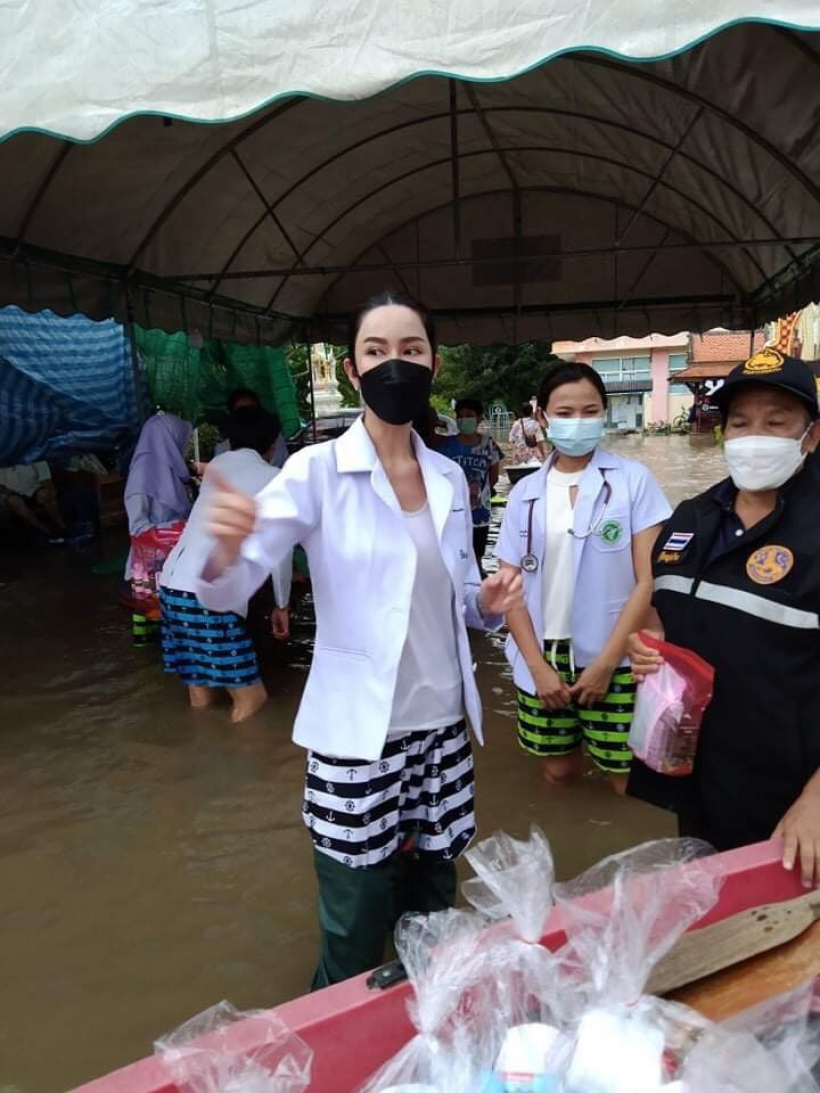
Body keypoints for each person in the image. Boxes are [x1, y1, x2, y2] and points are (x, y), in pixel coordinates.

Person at [196, 290, 522, 988]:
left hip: (442, 726)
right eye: (377, 351)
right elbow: (233, 584)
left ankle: (427, 1033)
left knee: (434, 904)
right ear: (352, 370)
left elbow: (459, 592)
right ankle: (340, 1042)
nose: (394, 363)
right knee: (355, 913)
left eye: (411, 349)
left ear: (433, 362)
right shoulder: (315, 471)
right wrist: (223, 551)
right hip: (356, 736)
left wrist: (488, 602)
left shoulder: (446, 475)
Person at [628, 350, 820, 884]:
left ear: (812, 435)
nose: (754, 434)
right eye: (740, 422)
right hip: (702, 775)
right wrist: (649, 646)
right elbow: (661, 618)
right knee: (716, 916)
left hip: (793, 796)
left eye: (776, 422)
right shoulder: (693, 516)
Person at [495, 362, 671, 792]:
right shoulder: (524, 493)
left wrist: (607, 664)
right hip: (543, 656)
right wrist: (537, 669)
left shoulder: (633, 481)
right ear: (542, 417)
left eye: (590, 412)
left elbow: (648, 580)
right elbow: (508, 591)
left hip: (616, 653)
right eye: (566, 413)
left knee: (626, 777)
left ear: (604, 414)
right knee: (557, 770)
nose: (579, 422)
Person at [159, 407, 291, 723]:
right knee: (252, 699)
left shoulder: (217, 465)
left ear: (229, 441)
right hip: (209, 595)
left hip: (170, 588)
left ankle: (202, 750)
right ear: (273, 444)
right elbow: (280, 552)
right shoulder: (274, 479)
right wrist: (282, 605)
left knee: (199, 689)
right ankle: (245, 761)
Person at [124, 412, 194, 645]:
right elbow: (137, 527)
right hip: (149, 566)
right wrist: (179, 527)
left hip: (168, 562)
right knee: (156, 629)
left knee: (163, 629)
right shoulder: (141, 476)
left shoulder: (170, 470)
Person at [439, 398, 502, 575]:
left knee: (478, 556)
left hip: (480, 513)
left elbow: (494, 476)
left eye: (469, 416)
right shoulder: (446, 446)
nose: (463, 420)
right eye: (460, 416)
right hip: (453, 512)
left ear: (479, 418)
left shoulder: (489, 445)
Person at [214, 388, 289, 469]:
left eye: (252, 410)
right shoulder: (222, 451)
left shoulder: (275, 438)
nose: (248, 417)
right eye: (241, 413)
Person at [0, 460, 66, 542]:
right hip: (17, 494)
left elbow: (46, 479)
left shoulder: (34, 458)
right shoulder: (3, 464)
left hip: (36, 489)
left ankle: (62, 526)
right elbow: (2, 486)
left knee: (44, 494)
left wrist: (49, 489)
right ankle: (44, 530)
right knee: (13, 501)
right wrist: (10, 493)